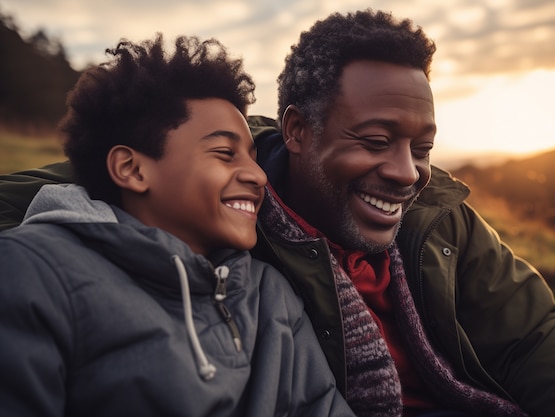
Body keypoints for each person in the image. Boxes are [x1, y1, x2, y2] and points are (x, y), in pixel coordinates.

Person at [1, 9, 555, 417]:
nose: (408, 171)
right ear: (297, 131)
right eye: (376, 141)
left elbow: (533, 336)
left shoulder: (437, 219)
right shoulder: (240, 224)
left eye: (423, 147)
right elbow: (117, 167)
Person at [0, 34, 355, 417]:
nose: (257, 175)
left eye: (253, 157)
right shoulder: (32, 271)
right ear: (132, 169)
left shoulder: (270, 296)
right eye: (225, 153)